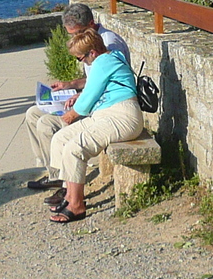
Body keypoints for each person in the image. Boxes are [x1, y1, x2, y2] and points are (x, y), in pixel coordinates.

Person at [24, 2, 130, 190]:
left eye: (76, 33)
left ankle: (61, 178)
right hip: (90, 98)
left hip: (102, 106)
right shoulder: (91, 41)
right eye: (71, 34)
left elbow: (104, 83)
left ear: (90, 24)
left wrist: (77, 101)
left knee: (46, 124)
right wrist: (71, 85)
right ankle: (51, 169)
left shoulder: (108, 44)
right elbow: (94, 79)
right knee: (33, 113)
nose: (75, 37)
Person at [44, 27, 144, 223]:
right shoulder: (108, 58)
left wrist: (71, 115)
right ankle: (68, 191)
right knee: (61, 138)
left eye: (80, 58)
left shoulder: (103, 62)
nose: (81, 62)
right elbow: (93, 91)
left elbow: (89, 96)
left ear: (93, 52)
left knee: (75, 148)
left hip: (122, 117)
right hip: (106, 114)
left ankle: (77, 205)